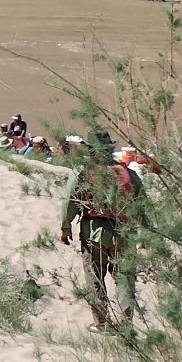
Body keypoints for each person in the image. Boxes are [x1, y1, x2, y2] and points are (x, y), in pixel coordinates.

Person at [60, 135, 143, 328]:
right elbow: (142, 203)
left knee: (95, 277)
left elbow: (69, 200)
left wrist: (66, 227)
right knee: (124, 279)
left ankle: (102, 323)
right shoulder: (129, 174)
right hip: (124, 233)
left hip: (93, 231)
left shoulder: (82, 172)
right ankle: (126, 325)